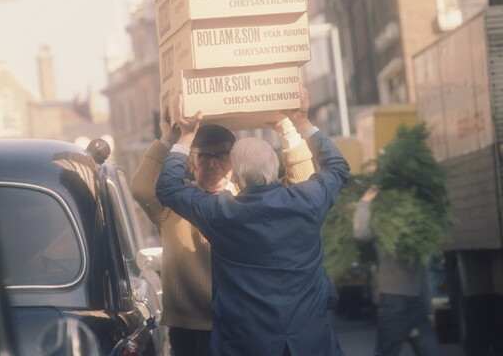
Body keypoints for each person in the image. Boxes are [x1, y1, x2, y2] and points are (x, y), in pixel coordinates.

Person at [154, 90, 349, 356]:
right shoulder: (308, 201)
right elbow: (337, 166)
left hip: (247, 342)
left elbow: (167, 188)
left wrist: (185, 135)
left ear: (238, 173)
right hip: (310, 338)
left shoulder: (220, 212)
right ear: (274, 166)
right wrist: (302, 123)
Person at [353, 187, 444, 356]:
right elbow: (362, 234)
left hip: (416, 306)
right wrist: (365, 202)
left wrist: (429, 309)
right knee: (387, 352)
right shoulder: (386, 235)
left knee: (432, 351)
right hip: (393, 305)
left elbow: (423, 274)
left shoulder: (416, 240)